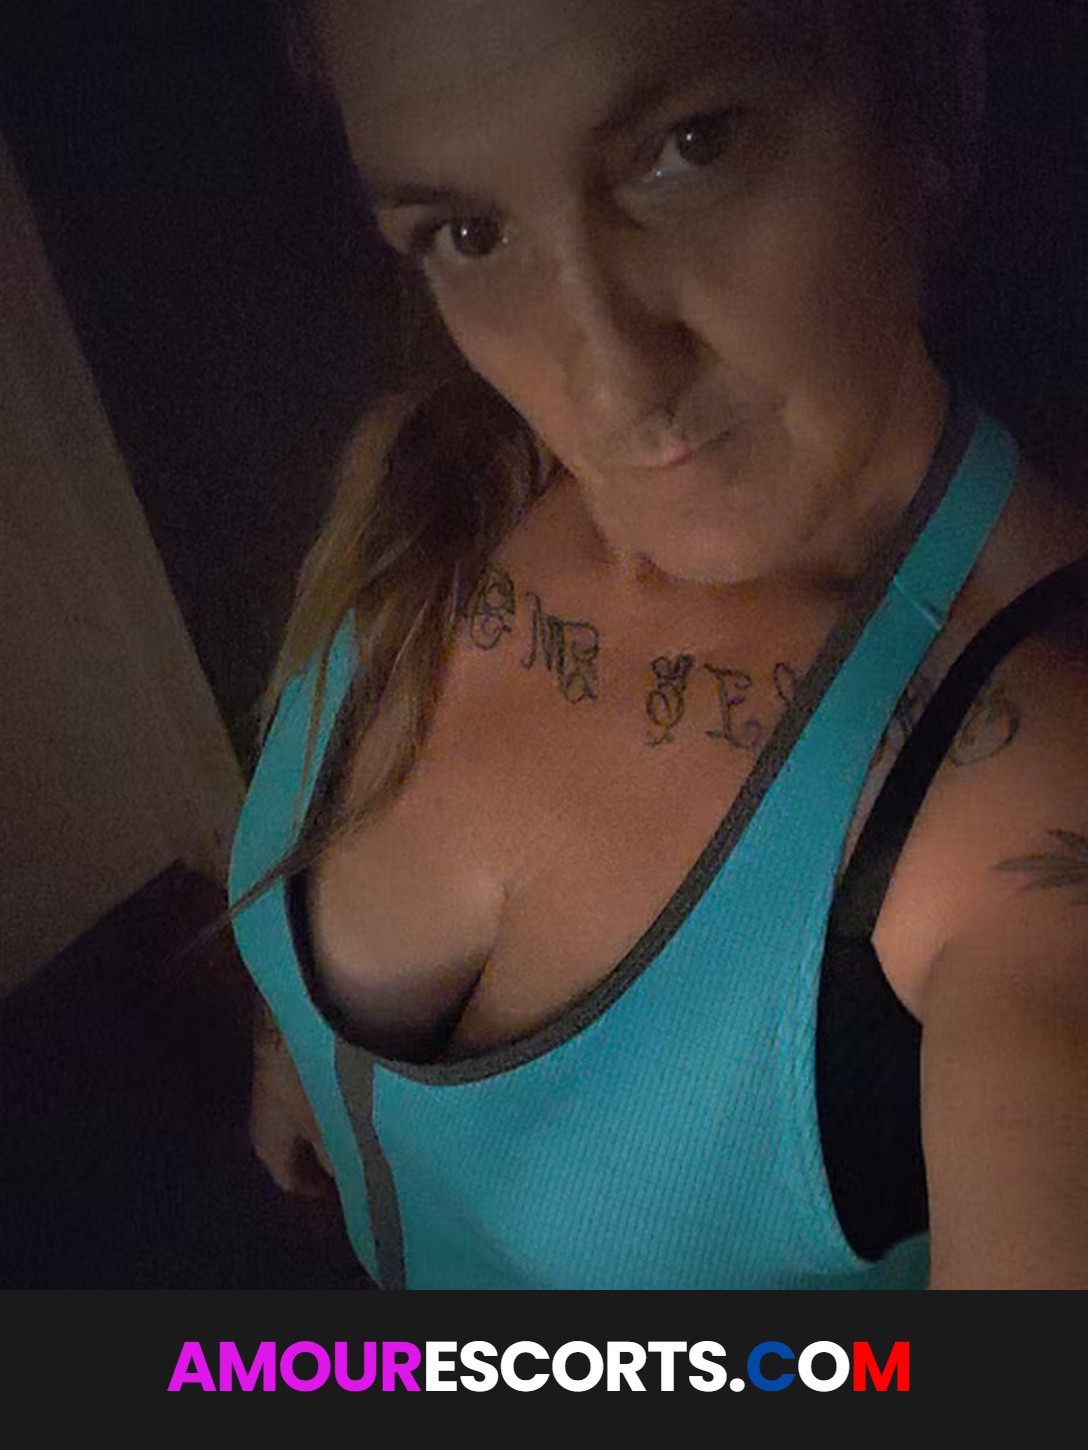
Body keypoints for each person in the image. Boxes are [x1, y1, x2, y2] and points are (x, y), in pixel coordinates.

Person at [225, 0, 1088, 1290]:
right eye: (469, 231)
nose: (615, 382)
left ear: (925, 100)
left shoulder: (1033, 774)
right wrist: (294, 1043)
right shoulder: (436, 483)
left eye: (691, 146)